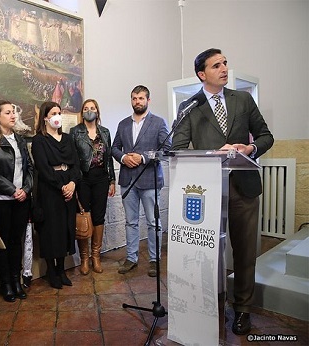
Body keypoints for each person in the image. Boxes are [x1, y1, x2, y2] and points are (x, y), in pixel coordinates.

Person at [171, 48, 273, 335]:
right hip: (208, 191)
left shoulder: (243, 99)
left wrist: (250, 148)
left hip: (243, 187)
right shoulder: (190, 106)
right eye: (217, 65)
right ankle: (209, 303)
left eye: (225, 63)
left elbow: (266, 136)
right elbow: (178, 149)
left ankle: (242, 309)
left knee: (244, 252)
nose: (224, 68)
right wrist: (214, 153)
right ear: (202, 74)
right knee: (207, 253)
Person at [112, 85, 171, 277]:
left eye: (141, 98)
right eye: (134, 98)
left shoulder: (158, 122)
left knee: (154, 222)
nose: (137, 101)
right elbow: (114, 148)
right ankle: (131, 258)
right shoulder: (123, 124)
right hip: (128, 180)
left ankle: (155, 260)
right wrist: (123, 158)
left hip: (150, 180)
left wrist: (143, 158)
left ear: (148, 100)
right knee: (131, 222)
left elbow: (166, 150)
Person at [0, 100, 33, 302]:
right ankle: (6, 283)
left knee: (15, 242)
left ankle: (16, 279)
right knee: (2, 243)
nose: (13, 116)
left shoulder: (20, 139)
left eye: (14, 112)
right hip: (0, 199)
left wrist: (25, 190)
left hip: (21, 199)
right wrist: (12, 190)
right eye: (8, 113)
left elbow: (29, 168)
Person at [31, 101, 80, 289]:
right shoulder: (39, 140)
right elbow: (43, 168)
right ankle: (51, 271)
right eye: (53, 113)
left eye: (59, 112)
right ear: (45, 117)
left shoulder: (67, 139)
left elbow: (76, 164)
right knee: (51, 231)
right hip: (50, 190)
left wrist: (73, 184)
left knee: (66, 229)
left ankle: (61, 269)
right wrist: (62, 187)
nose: (57, 116)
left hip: (69, 185)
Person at [69, 99, 115, 275]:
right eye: (86, 109)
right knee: (83, 216)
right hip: (83, 179)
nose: (89, 111)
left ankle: (96, 256)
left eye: (92, 108)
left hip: (101, 179)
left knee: (99, 217)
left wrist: (112, 180)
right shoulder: (75, 132)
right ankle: (84, 258)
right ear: (82, 113)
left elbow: (109, 158)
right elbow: (73, 159)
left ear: (97, 111)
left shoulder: (105, 132)